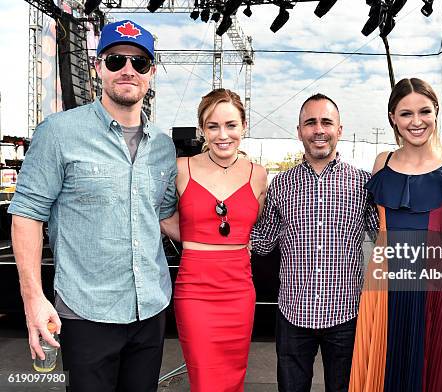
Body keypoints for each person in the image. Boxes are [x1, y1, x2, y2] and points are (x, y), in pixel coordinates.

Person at [9, 20, 177, 391]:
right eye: (116, 60)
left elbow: (165, 216)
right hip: (86, 313)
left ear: (151, 73)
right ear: (98, 67)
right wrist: (33, 299)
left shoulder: (163, 147)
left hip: (150, 309)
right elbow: (26, 216)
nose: (128, 70)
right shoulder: (59, 132)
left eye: (140, 63)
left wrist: (231, 233)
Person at [348, 78, 442, 392]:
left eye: (424, 111)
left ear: (436, 112)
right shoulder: (382, 162)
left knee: (437, 373)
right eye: (406, 114)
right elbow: (374, 226)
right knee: (386, 370)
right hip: (385, 284)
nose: (416, 121)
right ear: (392, 117)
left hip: (436, 285)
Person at [250, 93, 379, 392]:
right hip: (293, 315)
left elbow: (384, 236)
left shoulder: (362, 183)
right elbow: (265, 241)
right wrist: (218, 230)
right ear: (299, 131)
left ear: (339, 130)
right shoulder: (280, 184)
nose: (318, 129)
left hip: (346, 315)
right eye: (310, 123)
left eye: (326, 122)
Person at [161, 88, 267, 392]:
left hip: (239, 290)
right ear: (201, 129)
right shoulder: (181, 168)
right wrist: (197, 243)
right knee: (205, 379)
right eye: (213, 126)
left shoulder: (258, 175)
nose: (223, 135)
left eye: (231, 125)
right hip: (195, 289)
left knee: (234, 378)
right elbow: (160, 217)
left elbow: (247, 227)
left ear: (243, 127)